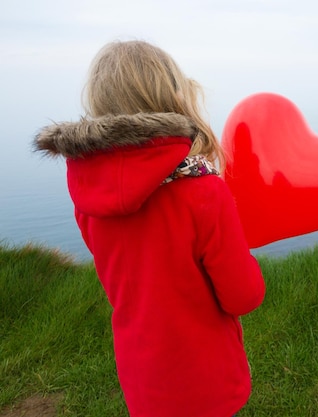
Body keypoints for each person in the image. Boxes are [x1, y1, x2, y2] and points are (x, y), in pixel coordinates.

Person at [34, 40, 266, 417]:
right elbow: (244, 297)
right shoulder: (203, 192)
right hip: (206, 382)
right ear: (174, 98)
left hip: (141, 375)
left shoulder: (87, 195)